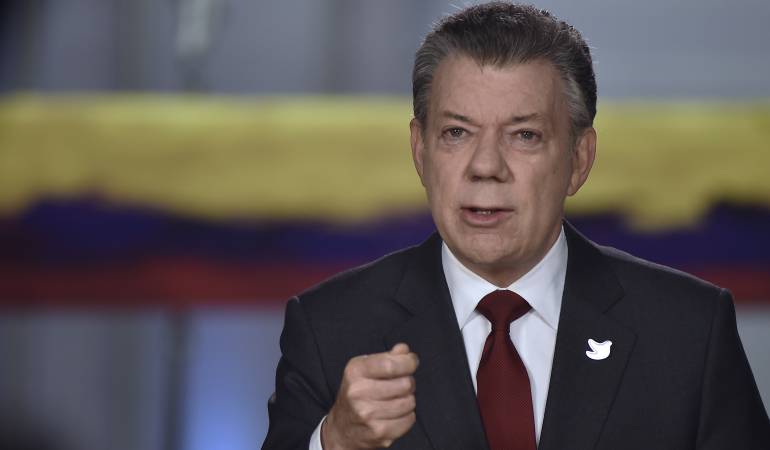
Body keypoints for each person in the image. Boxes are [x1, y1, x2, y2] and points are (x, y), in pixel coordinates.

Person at [262, 3, 770, 449]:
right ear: (420, 151)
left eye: (524, 135)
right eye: (456, 132)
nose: (486, 166)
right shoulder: (329, 327)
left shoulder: (689, 331)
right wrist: (336, 442)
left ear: (578, 159)